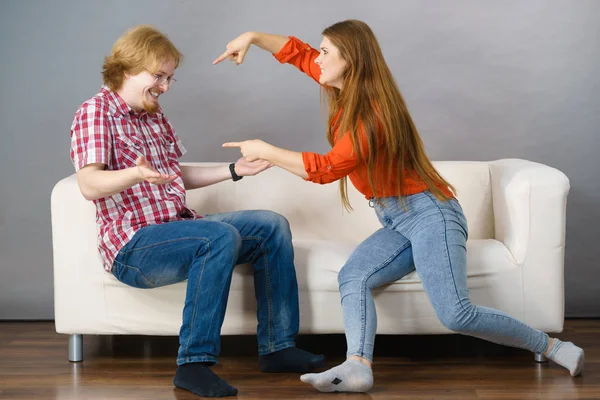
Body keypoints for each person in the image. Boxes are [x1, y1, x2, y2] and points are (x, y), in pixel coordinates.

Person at [214, 20, 585, 393]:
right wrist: (253, 38)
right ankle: (358, 366)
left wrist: (267, 152)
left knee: (456, 313)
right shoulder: (347, 90)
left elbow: (326, 170)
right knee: (354, 277)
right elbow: (298, 53)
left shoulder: (371, 116)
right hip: (396, 220)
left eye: (326, 51)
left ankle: (554, 347)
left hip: (430, 213)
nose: (318, 57)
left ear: (352, 60)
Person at [70, 25, 325, 398]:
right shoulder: (96, 112)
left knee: (270, 226)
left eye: (170, 77)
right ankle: (193, 364)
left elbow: (175, 176)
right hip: (133, 247)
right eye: (158, 76)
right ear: (127, 68)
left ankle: (278, 348)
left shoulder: (154, 116)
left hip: (177, 230)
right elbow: (89, 184)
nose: (165, 86)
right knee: (218, 235)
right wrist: (134, 174)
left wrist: (236, 170)